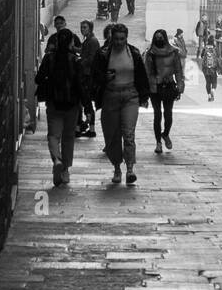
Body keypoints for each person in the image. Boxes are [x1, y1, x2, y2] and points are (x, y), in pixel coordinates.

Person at [91, 23, 149, 185]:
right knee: (112, 135)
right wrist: (104, 78)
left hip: (130, 96)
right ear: (111, 38)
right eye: (116, 39)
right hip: (111, 95)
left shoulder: (134, 53)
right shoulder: (103, 54)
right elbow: (94, 76)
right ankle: (117, 167)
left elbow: (141, 75)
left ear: (126, 38)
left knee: (128, 134)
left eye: (122, 39)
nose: (118, 42)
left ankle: (130, 169)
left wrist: (144, 96)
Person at [35, 28, 83, 186]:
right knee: (68, 138)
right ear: (70, 42)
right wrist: (88, 107)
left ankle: (56, 159)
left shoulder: (49, 59)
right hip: (72, 105)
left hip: (53, 103)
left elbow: (38, 78)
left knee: (53, 135)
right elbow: (81, 85)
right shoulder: (76, 60)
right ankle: (65, 171)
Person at [145, 28, 185, 154]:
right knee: (157, 115)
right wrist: (148, 89)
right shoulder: (150, 53)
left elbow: (178, 70)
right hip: (155, 87)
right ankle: (158, 142)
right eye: (156, 37)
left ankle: (165, 133)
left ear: (165, 38)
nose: (159, 39)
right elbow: (148, 72)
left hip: (168, 86)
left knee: (168, 114)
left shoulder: (173, 52)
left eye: (161, 37)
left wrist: (180, 85)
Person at [77, 19, 101, 137]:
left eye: (85, 27)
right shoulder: (88, 40)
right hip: (85, 74)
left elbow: (92, 58)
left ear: (90, 28)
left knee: (86, 102)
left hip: (88, 75)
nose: (82, 30)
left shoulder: (92, 41)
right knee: (85, 102)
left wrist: (81, 61)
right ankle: (86, 126)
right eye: (81, 27)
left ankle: (91, 128)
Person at [200, 33, 219, 102]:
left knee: (208, 82)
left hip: (206, 68)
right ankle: (213, 90)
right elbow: (218, 58)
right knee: (214, 81)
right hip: (213, 68)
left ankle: (209, 95)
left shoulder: (205, 48)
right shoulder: (215, 48)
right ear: (213, 41)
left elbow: (201, 56)